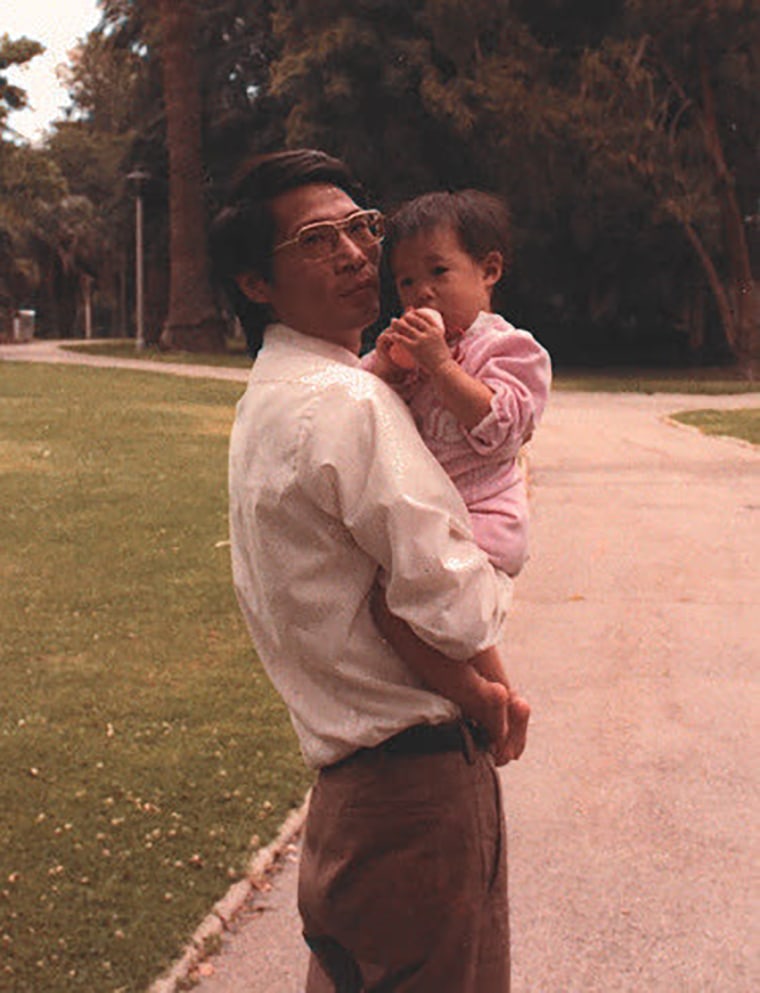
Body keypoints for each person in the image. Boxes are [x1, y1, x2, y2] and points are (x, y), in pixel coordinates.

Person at [210, 149, 519, 992]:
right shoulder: (350, 403)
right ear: (255, 283)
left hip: (350, 807)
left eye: (360, 227)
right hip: (416, 801)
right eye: (316, 238)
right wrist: (494, 561)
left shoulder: (271, 397)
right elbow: (459, 610)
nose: (353, 252)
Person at [361, 190, 551, 764]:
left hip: (484, 519)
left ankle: (479, 699)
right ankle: (502, 700)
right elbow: (367, 399)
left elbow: (500, 429)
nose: (422, 293)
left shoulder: (510, 349)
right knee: (426, 616)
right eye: (406, 282)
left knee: (395, 610)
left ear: (488, 270)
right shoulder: (417, 349)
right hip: (439, 515)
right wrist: (390, 365)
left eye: (438, 272)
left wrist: (442, 365)